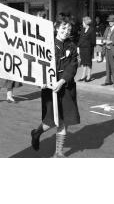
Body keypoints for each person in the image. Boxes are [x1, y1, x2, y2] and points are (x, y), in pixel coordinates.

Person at [31, 20, 80, 158]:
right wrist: (41, 81)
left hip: (66, 87)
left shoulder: (72, 46)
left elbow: (73, 66)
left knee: (64, 119)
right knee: (50, 121)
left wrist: (63, 80)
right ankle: (37, 132)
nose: (66, 32)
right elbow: (38, 63)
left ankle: (58, 152)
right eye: (63, 29)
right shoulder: (47, 44)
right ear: (57, 28)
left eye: (68, 30)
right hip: (50, 88)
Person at [77, 16, 96, 82]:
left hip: (88, 49)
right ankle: (83, 76)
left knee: (88, 62)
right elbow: (80, 39)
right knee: (83, 62)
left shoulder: (92, 29)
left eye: (83, 22)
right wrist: (78, 46)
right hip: (82, 48)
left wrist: (90, 47)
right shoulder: (82, 29)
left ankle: (88, 76)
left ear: (85, 22)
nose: (82, 23)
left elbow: (93, 41)